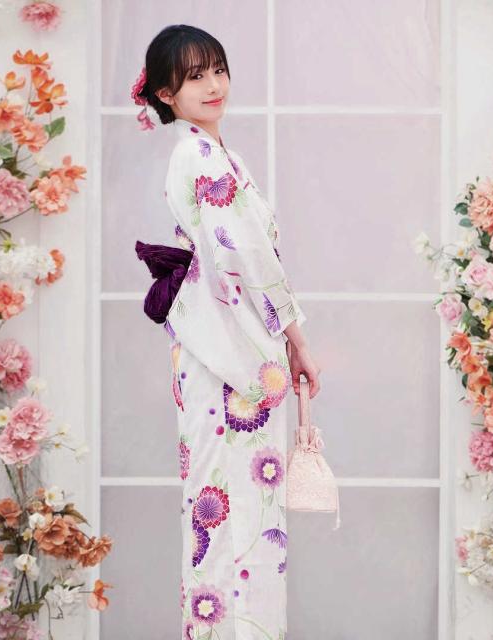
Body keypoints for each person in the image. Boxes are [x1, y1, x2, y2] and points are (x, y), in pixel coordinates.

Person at [133, 24, 321, 639]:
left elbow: (248, 258)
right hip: (225, 356)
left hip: (231, 345)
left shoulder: (219, 154)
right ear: (166, 94)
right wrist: (294, 337)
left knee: (243, 510)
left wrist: (285, 337)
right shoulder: (197, 156)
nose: (213, 85)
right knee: (226, 510)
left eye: (218, 69)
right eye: (195, 77)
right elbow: (245, 258)